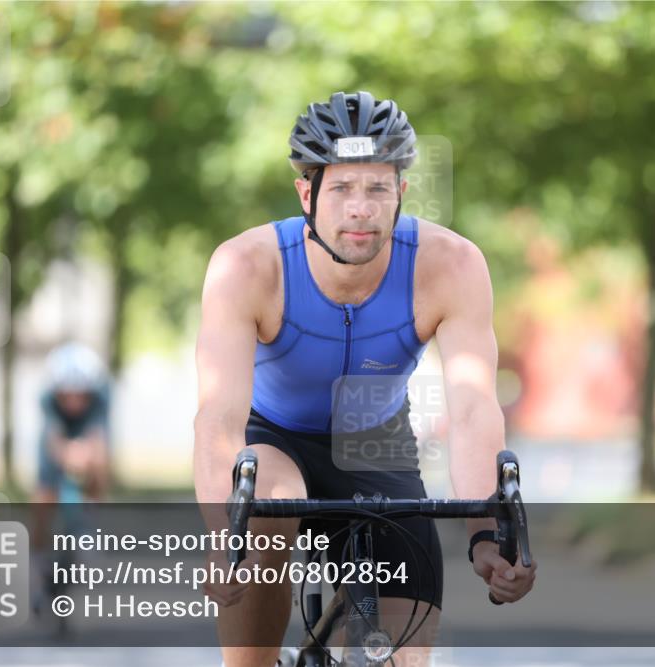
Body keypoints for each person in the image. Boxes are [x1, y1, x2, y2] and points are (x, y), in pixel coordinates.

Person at [194, 91, 536, 667]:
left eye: (378, 188)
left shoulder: (450, 265)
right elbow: (217, 419)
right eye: (342, 189)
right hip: (273, 439)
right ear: (307, 194)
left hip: (376, 444)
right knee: (267, 512)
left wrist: (486, 534)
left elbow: (474, 408)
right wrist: (223, 537)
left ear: (402, 192)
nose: (361, 209)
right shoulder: (246, 266)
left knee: (401, 658)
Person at [33, 341, 112, 504]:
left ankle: (94, 509)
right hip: (59, 433)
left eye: (80, 395)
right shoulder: (47, 399)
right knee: (45, 482)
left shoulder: (100, 399)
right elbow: (52, 438)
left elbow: (98, 438)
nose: (73, 403)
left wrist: (87, 454)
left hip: (87, 432)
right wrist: (66, 453)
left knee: (99, 463)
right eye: (67, 396)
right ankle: (41, 519)